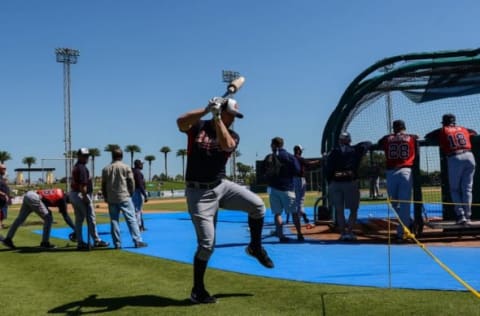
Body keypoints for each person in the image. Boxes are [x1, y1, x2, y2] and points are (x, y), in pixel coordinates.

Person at [177, 96, 274, 304]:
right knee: (206, 245)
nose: (234, 120)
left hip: (221, 186)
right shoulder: (199, 126)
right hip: (198, 193)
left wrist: (218, 117)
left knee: (258, 206)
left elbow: (228, 146)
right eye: (232, 115)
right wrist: (206, 110)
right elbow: (180, 122)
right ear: (223, 111)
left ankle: (255, 247)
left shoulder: (232, 134)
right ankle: (198, 290)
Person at [425, 113, 477, 225]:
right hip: (470, 157)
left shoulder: (443, 130)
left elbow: (428, 136)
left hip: (455, 157)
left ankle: (461, 215)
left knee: (455, 189)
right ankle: (468, 216)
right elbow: (474, 132)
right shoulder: (464, 129)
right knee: (467, 189)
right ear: (454, 122)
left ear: (444, 123)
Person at [325, 132, 372, 241]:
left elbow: (328, 168)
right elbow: (367, 143)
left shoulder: (333, 152)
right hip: (350, 182)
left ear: (339, 140)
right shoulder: (355, 150)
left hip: (335, 183)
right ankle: (350, 232)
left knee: (339, 210)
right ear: (349, 140)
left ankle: (342, 233)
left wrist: (330, 181)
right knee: (353, 209)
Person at [378, 120, 418, 241]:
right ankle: (408, 221)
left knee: (394, 203)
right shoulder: (411, 137)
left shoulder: (387, 138)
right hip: (406, 171)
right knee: (401, 204)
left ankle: (401, 233)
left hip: (392, 172)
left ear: (394, 128)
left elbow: (380, 142)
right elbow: (415, 140)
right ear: (404, 127)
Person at [101, 148, 147, 249]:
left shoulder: (105, 169)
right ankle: (137, 241)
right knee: (131, 219)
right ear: (121, 156)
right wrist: (130, 193)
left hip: (112, 198)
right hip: (124, 196)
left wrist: (105, 196)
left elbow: (103, 185)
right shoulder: (126, 167)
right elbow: (131, 182)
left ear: (112, 156)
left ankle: (117, 244)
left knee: (114, 220)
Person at [263, 137, 303, 242]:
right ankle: (299, 234)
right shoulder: (289, 157)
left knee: (277, 213)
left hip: (274, 188)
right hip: (287, 188)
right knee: (294, 213)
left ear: (273, 145)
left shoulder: (270, 157)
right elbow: (297, 170)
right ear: (282, 144)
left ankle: (281, 236)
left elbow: (264, 172)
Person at [69, 148, 109, 250]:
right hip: (80, 194)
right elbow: (83, 186)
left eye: (87, 156)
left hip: (74, 194)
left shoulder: (77, 167)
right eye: (84, 155)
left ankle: (80, 242)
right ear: (79, 156)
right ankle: (96, 240)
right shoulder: (82, 168)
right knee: (91, 218)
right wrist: (85, 197)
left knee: (79, 219)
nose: (86, 157)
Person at [291, 144, 321, 224]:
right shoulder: (300, 159)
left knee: (296, 200)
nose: (301, 152)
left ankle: (300, 215)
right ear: (298, 150)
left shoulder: (291, 159)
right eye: (301, 150)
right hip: (300, 180)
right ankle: (301, 214)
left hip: (293, 180)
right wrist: (319, 161)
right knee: (300, 200)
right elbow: (309, 163)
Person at [132, 159, 148, 231]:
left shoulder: (134, 171)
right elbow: (140, 184)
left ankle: (141, 226)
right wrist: (145, 195)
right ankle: (138, 227)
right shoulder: (137, 172)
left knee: (139, 210)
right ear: (138, 164)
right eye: (141, 164)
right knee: (137, 210)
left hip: (135, 192)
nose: (142, 165)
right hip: (138, 192)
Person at [0, 164, 11, 229]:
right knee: (1, 211)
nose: (5, 170)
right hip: (1, 198)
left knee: (3, 212)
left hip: (3, 199)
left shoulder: (2, 177)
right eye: (3, 168)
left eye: (5, 168)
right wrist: (4, 194)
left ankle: (1, 224)